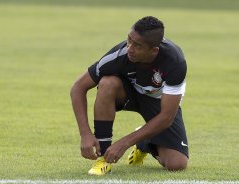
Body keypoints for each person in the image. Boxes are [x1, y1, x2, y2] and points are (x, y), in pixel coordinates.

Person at [70, 16, 188, 176]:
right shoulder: (119, 55)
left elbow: (166, 117)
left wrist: (125, 143)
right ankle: (104, 159)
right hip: (127, 94)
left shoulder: (175, 62)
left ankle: (144, 143)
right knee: (107, 83)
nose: (129, 48)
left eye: (137, 46)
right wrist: (85, 134)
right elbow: (78, 88)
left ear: (153, 50)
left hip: (159, 103)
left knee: (177, 164)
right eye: (129, 40)